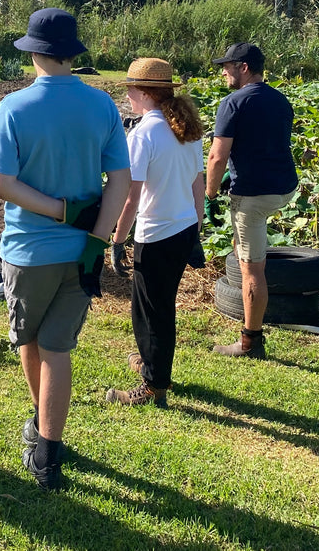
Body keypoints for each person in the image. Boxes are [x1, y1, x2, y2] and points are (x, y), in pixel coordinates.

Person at [0, 8, 130, 490]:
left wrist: (60, 210)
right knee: (59, 349)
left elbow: (1, 185)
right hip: (79, 255)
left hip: (27, 251)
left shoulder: (15, 107)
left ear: (34, 53)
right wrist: (97, 241)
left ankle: (42, 438)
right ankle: (49, 446)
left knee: (29, 340)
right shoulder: (102, 105)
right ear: (72, 53)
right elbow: (121, 183)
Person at [105, 58, 205, 407]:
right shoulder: (187, 129)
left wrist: (117, 240)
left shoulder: (144, 134)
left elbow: (131, 197)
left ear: (145, 92)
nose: (128, 95)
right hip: (182, 229)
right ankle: (152, 363)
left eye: (131, 89)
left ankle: (153, 385)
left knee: (150, 310)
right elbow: (198, 182)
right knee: (158, 306)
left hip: (156, 234)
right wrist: (198, 227)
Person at [205, 42, 298, 360]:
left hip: (254, 196)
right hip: (284, 188)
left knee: (252, 270)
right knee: (246, 249)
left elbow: (217, 156)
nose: (223, 71)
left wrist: (210, 193)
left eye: (227, 65)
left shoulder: (233, 103)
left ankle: (250, 341)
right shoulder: (281, 100)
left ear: (243, 67)